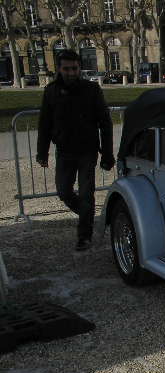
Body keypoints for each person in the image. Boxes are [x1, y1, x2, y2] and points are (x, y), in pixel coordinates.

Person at [36, 49, 114, 251]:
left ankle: (84, 235)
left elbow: (105, 123)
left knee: (87, 193)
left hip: (87, 150)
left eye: (74, 68)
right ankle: (88, 215)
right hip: (64, 151)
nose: (71, 73)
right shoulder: (51, 91)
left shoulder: (92, 90)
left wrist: (107, 154)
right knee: (63, 191)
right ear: (59, 69)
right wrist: (42, 152)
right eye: (66, 69)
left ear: (79, 68)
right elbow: (45, 124)